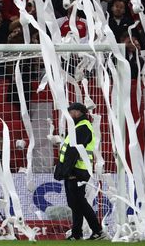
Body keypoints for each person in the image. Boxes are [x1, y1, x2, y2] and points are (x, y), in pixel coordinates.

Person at [54, 103, 107, 240]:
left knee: (79, 202)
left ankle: (98, 231)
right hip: (75, 170)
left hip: (77, 171)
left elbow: (74, 151)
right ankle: (77, 234)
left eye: (71, 112)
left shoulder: (82, 127)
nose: (69, 115)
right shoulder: (78, 127)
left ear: (78, 112)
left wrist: (66, 171)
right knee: (75, 203)